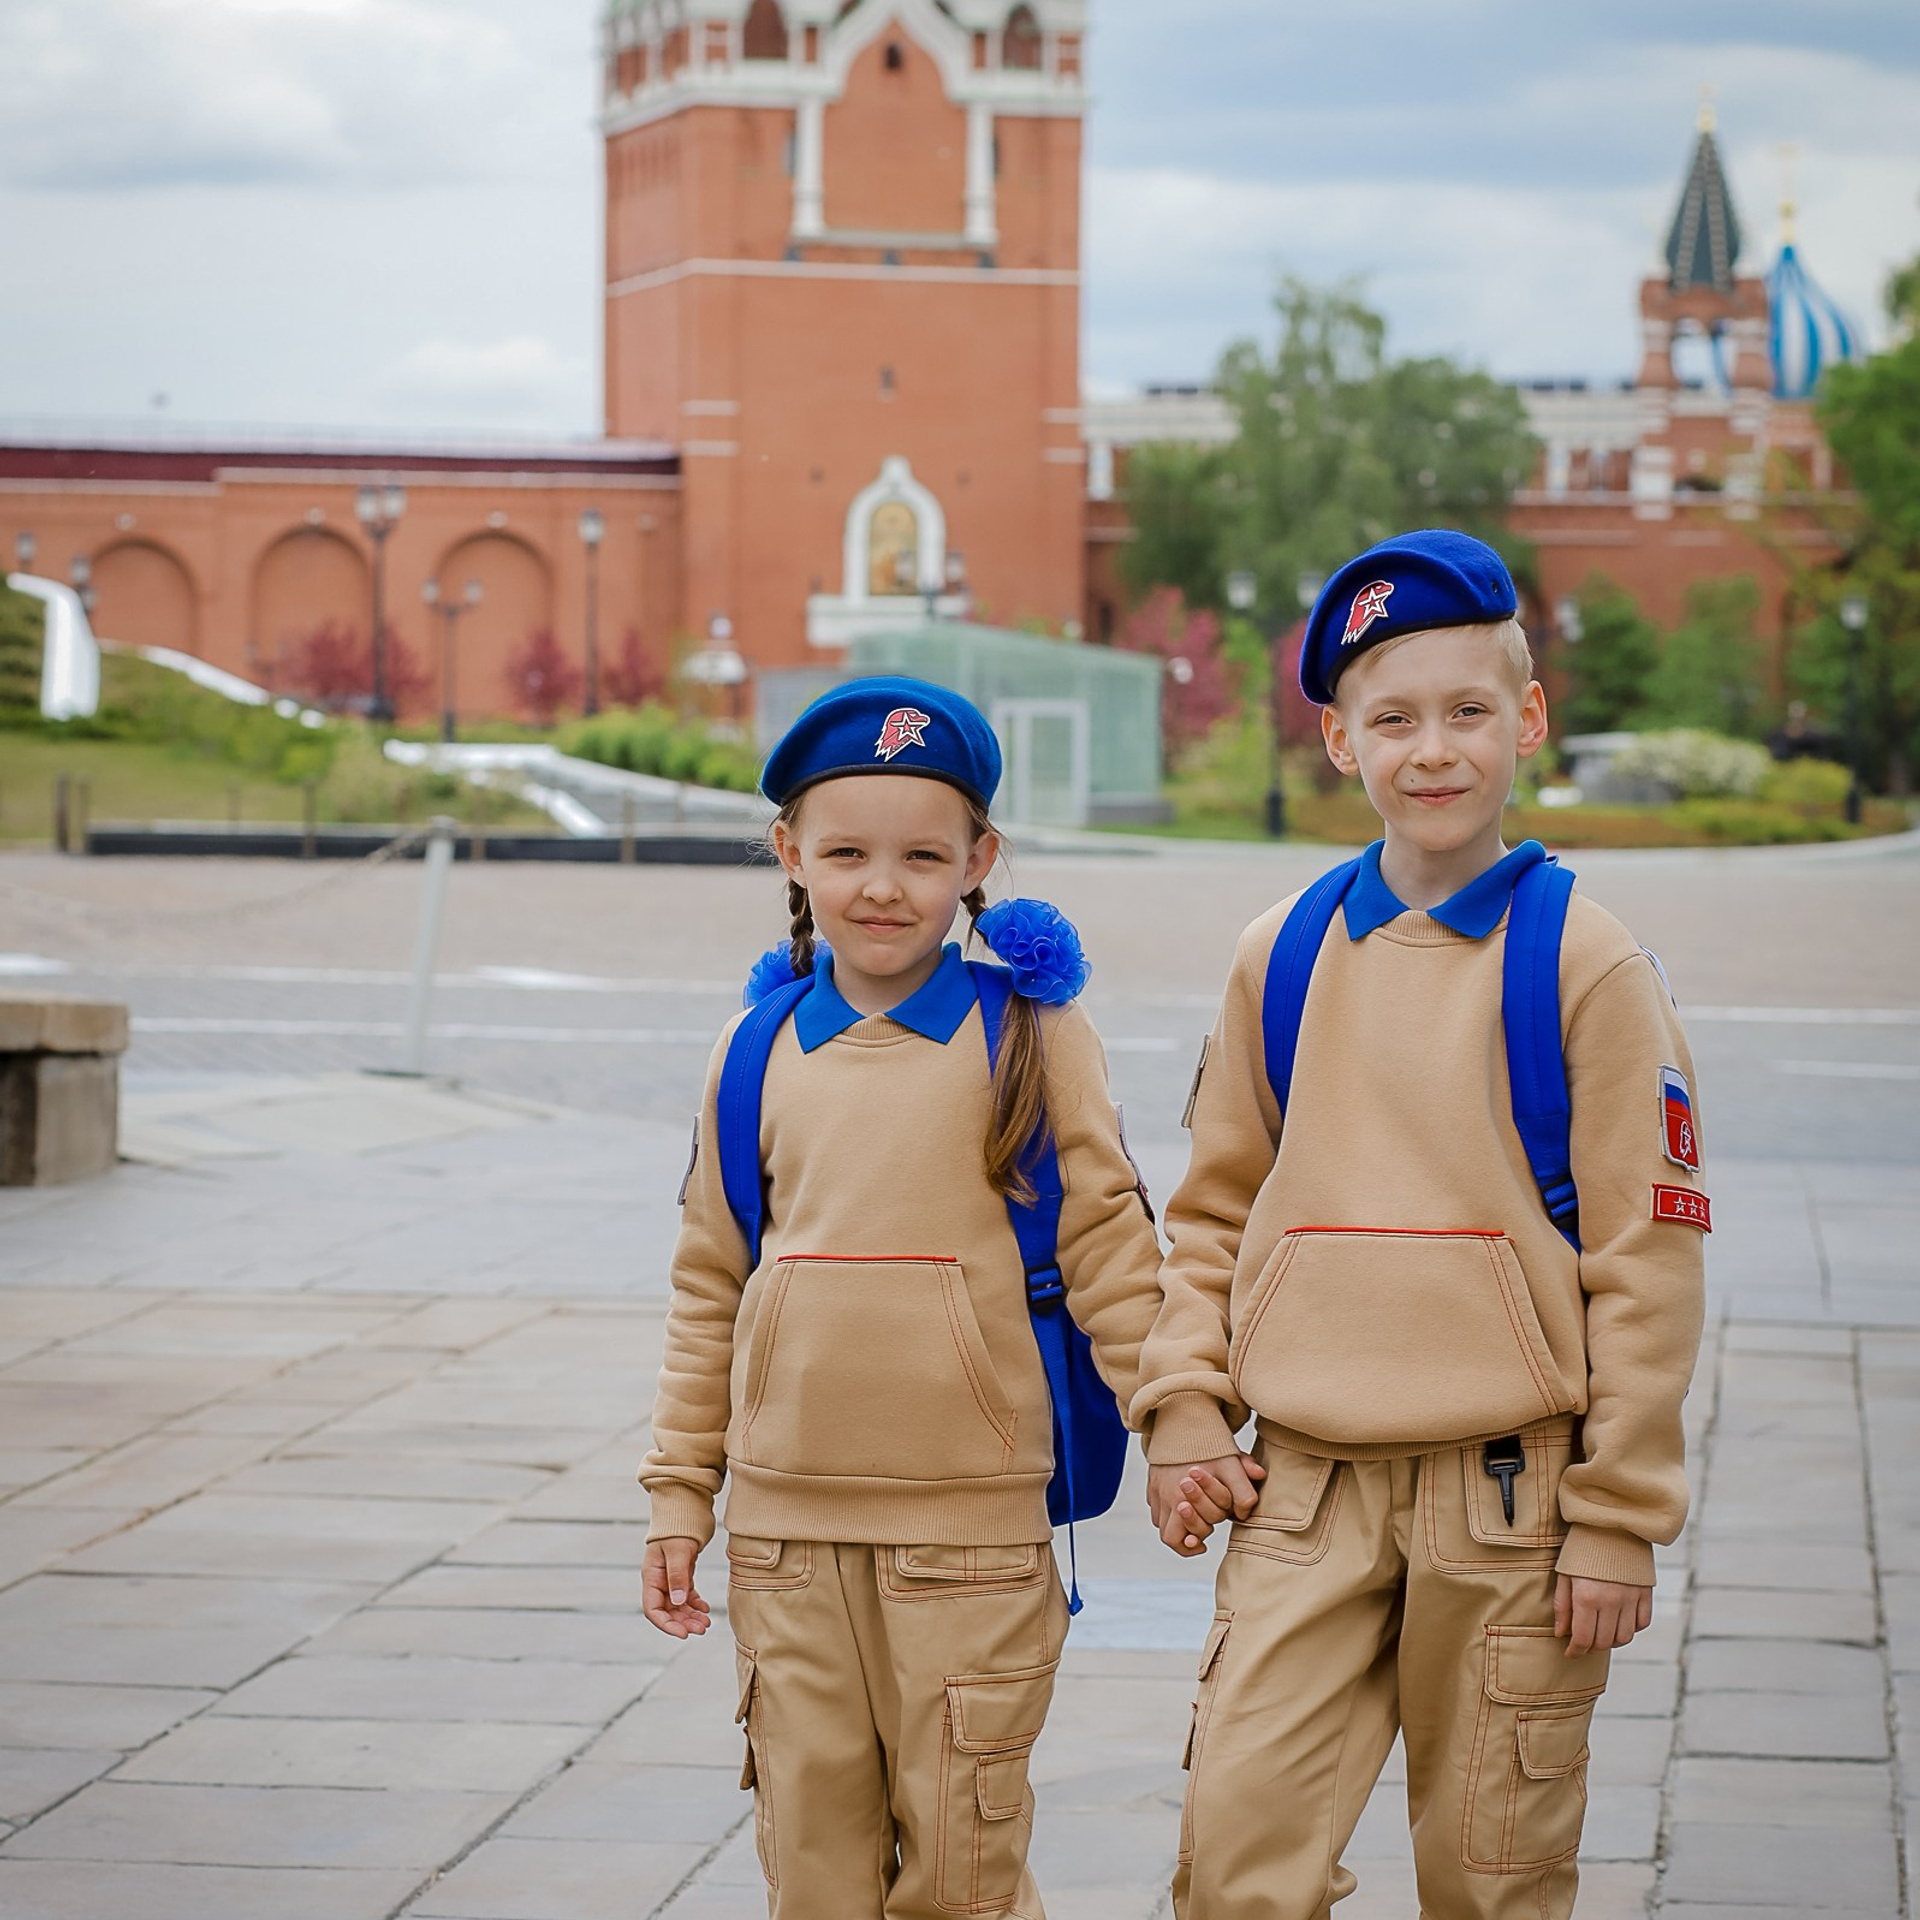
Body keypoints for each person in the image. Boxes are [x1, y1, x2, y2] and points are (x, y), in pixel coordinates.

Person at [1133, 531, 1709, 1920]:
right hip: (1302, 1494)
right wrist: (1184, 1409)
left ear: (1529, 721)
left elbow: (1647, 1258)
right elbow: (1211, 1215)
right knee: (1235, 1862)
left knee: (1491, 1882)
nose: (1432, 751)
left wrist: (1618, 1519)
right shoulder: (1280, 955)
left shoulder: (1587, 960)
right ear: (1339, 740)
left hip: (1510, 1510)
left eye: (1467, 713)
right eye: (1393, 719)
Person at [639, 676, 1165, 1920]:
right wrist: (678, 1495)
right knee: (810, 1856)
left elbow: (1108, 1247)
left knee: (960, 1861)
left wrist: (1180, 1419)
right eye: (848, 852)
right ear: (790, 854)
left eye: (925, 855)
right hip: (782, 1533)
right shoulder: (751, 1051)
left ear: (981, 859)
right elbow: (710, 1282)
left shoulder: (1031, 1036)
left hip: (974, 1530)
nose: (884, 885)